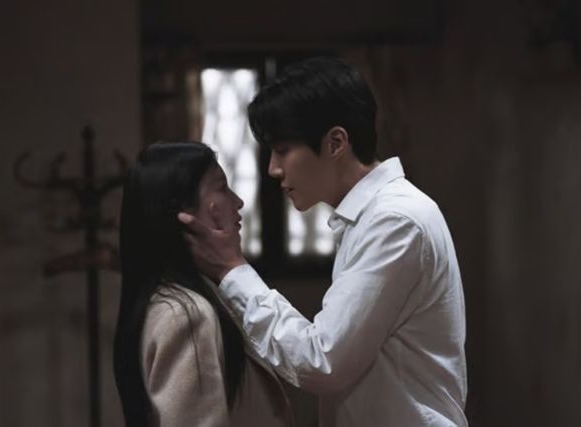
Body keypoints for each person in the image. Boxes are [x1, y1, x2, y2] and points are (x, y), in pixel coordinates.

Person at [179, 57, 468, 426]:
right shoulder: (372, 217)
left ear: (335, 143)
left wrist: (232, 270)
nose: (273, 169)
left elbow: (322, 361)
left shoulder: (394, 220)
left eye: (283, 150)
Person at [113, 141, 293, 427]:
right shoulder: (185, 314)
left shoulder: (192, 297)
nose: (238, 202)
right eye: (222, 188)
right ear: (185, 214)